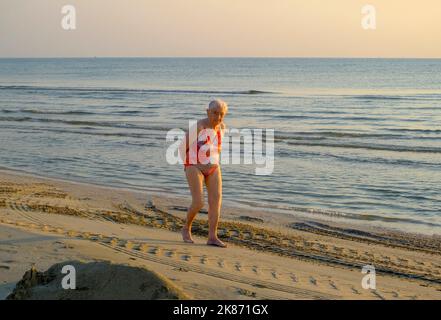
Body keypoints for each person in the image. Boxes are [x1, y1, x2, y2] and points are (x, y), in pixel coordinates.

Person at [179, 99, 228, 248]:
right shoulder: (199, 127)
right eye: (215, 113)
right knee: (199, 202)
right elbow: (182, 148)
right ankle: (186, 228)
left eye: (221, 114)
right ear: (207, 112)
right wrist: (189, 166)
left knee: (216, 201)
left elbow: (216, 148)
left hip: (213, 168)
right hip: (194, 166)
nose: (218, 117)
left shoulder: (222, 127)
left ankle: (212, 237)